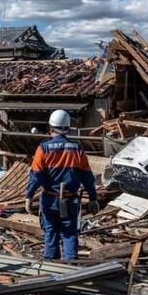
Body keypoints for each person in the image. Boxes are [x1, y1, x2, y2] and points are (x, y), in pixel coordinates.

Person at [24, 110, 100, 260]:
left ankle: (51, 269)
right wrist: (93, 198)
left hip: (49, 199)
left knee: (50, 233)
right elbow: (87, 176)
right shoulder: (77, 148)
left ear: (50, 127)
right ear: (68, 128)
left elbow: (35, 174)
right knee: (70, 234)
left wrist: (29, 196)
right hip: (70, 200)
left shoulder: (43, 148)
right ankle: (70, 270)